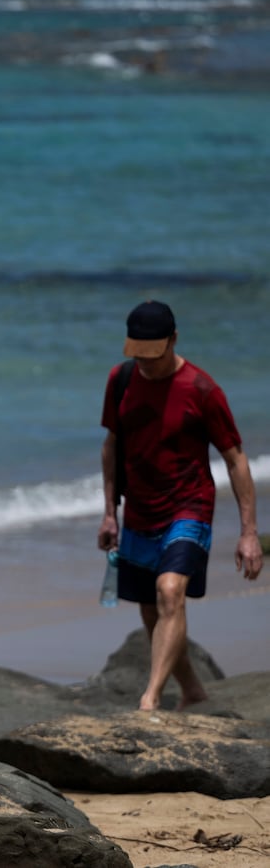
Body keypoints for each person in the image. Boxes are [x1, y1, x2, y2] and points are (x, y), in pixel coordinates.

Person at [97, 300, 262, 711]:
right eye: (139, 355)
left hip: (189, 506)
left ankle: (150, 700)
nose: (146, 365)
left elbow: (236, 458)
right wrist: (108, 512)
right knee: (152, 611)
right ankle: (192, 689)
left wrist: (249, 533)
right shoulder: (120, 380)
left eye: (154, 355)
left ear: (173, 340)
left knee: (170, 591)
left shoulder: (202, 390)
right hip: (138, 509)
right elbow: (112, 446)